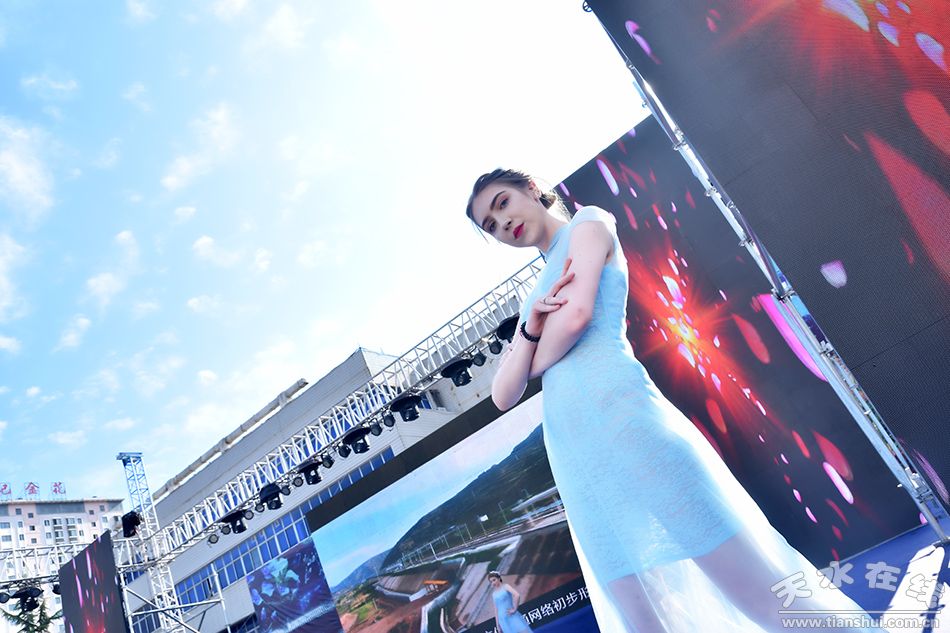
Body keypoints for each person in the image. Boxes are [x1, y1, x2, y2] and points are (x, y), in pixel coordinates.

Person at [466, 169, 886, 632]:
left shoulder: (589, 223)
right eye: (490, 225)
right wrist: (530, 329)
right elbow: (502, 395)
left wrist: (526, 358)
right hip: (577, 456)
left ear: (531, 189)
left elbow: (577, 317)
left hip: (627, 420)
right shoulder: (534, 297)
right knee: (641, 618)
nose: (502, 223)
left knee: (758, 591)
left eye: (502, 204)